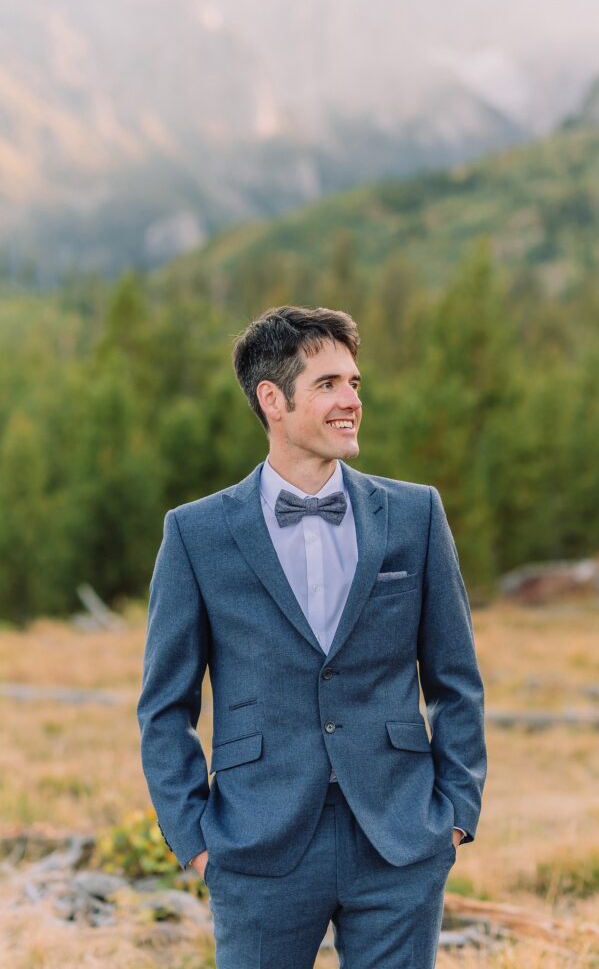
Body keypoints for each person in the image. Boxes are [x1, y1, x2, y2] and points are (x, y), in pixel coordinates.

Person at [137, 304, 487, 969]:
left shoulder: (415, 514)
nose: (351, 401)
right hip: (255, 842)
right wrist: (196, 840)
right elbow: (164, 706)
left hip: (400, 837)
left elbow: (456, 680)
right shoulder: (195, 533)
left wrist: (454, 815)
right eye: (328, 384)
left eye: (354, 383)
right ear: (273, 399)